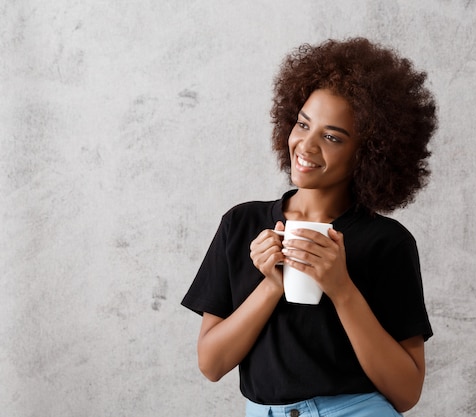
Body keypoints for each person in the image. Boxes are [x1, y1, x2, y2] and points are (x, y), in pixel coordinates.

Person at [181, 37, 437, 417]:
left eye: (332, 136)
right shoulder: (241, 224)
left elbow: (406, 392)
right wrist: (271, 285)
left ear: (368, 153)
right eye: (303, 124)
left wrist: (341, 288)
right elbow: (212, 364)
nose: (306, 145)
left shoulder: (387, 243)